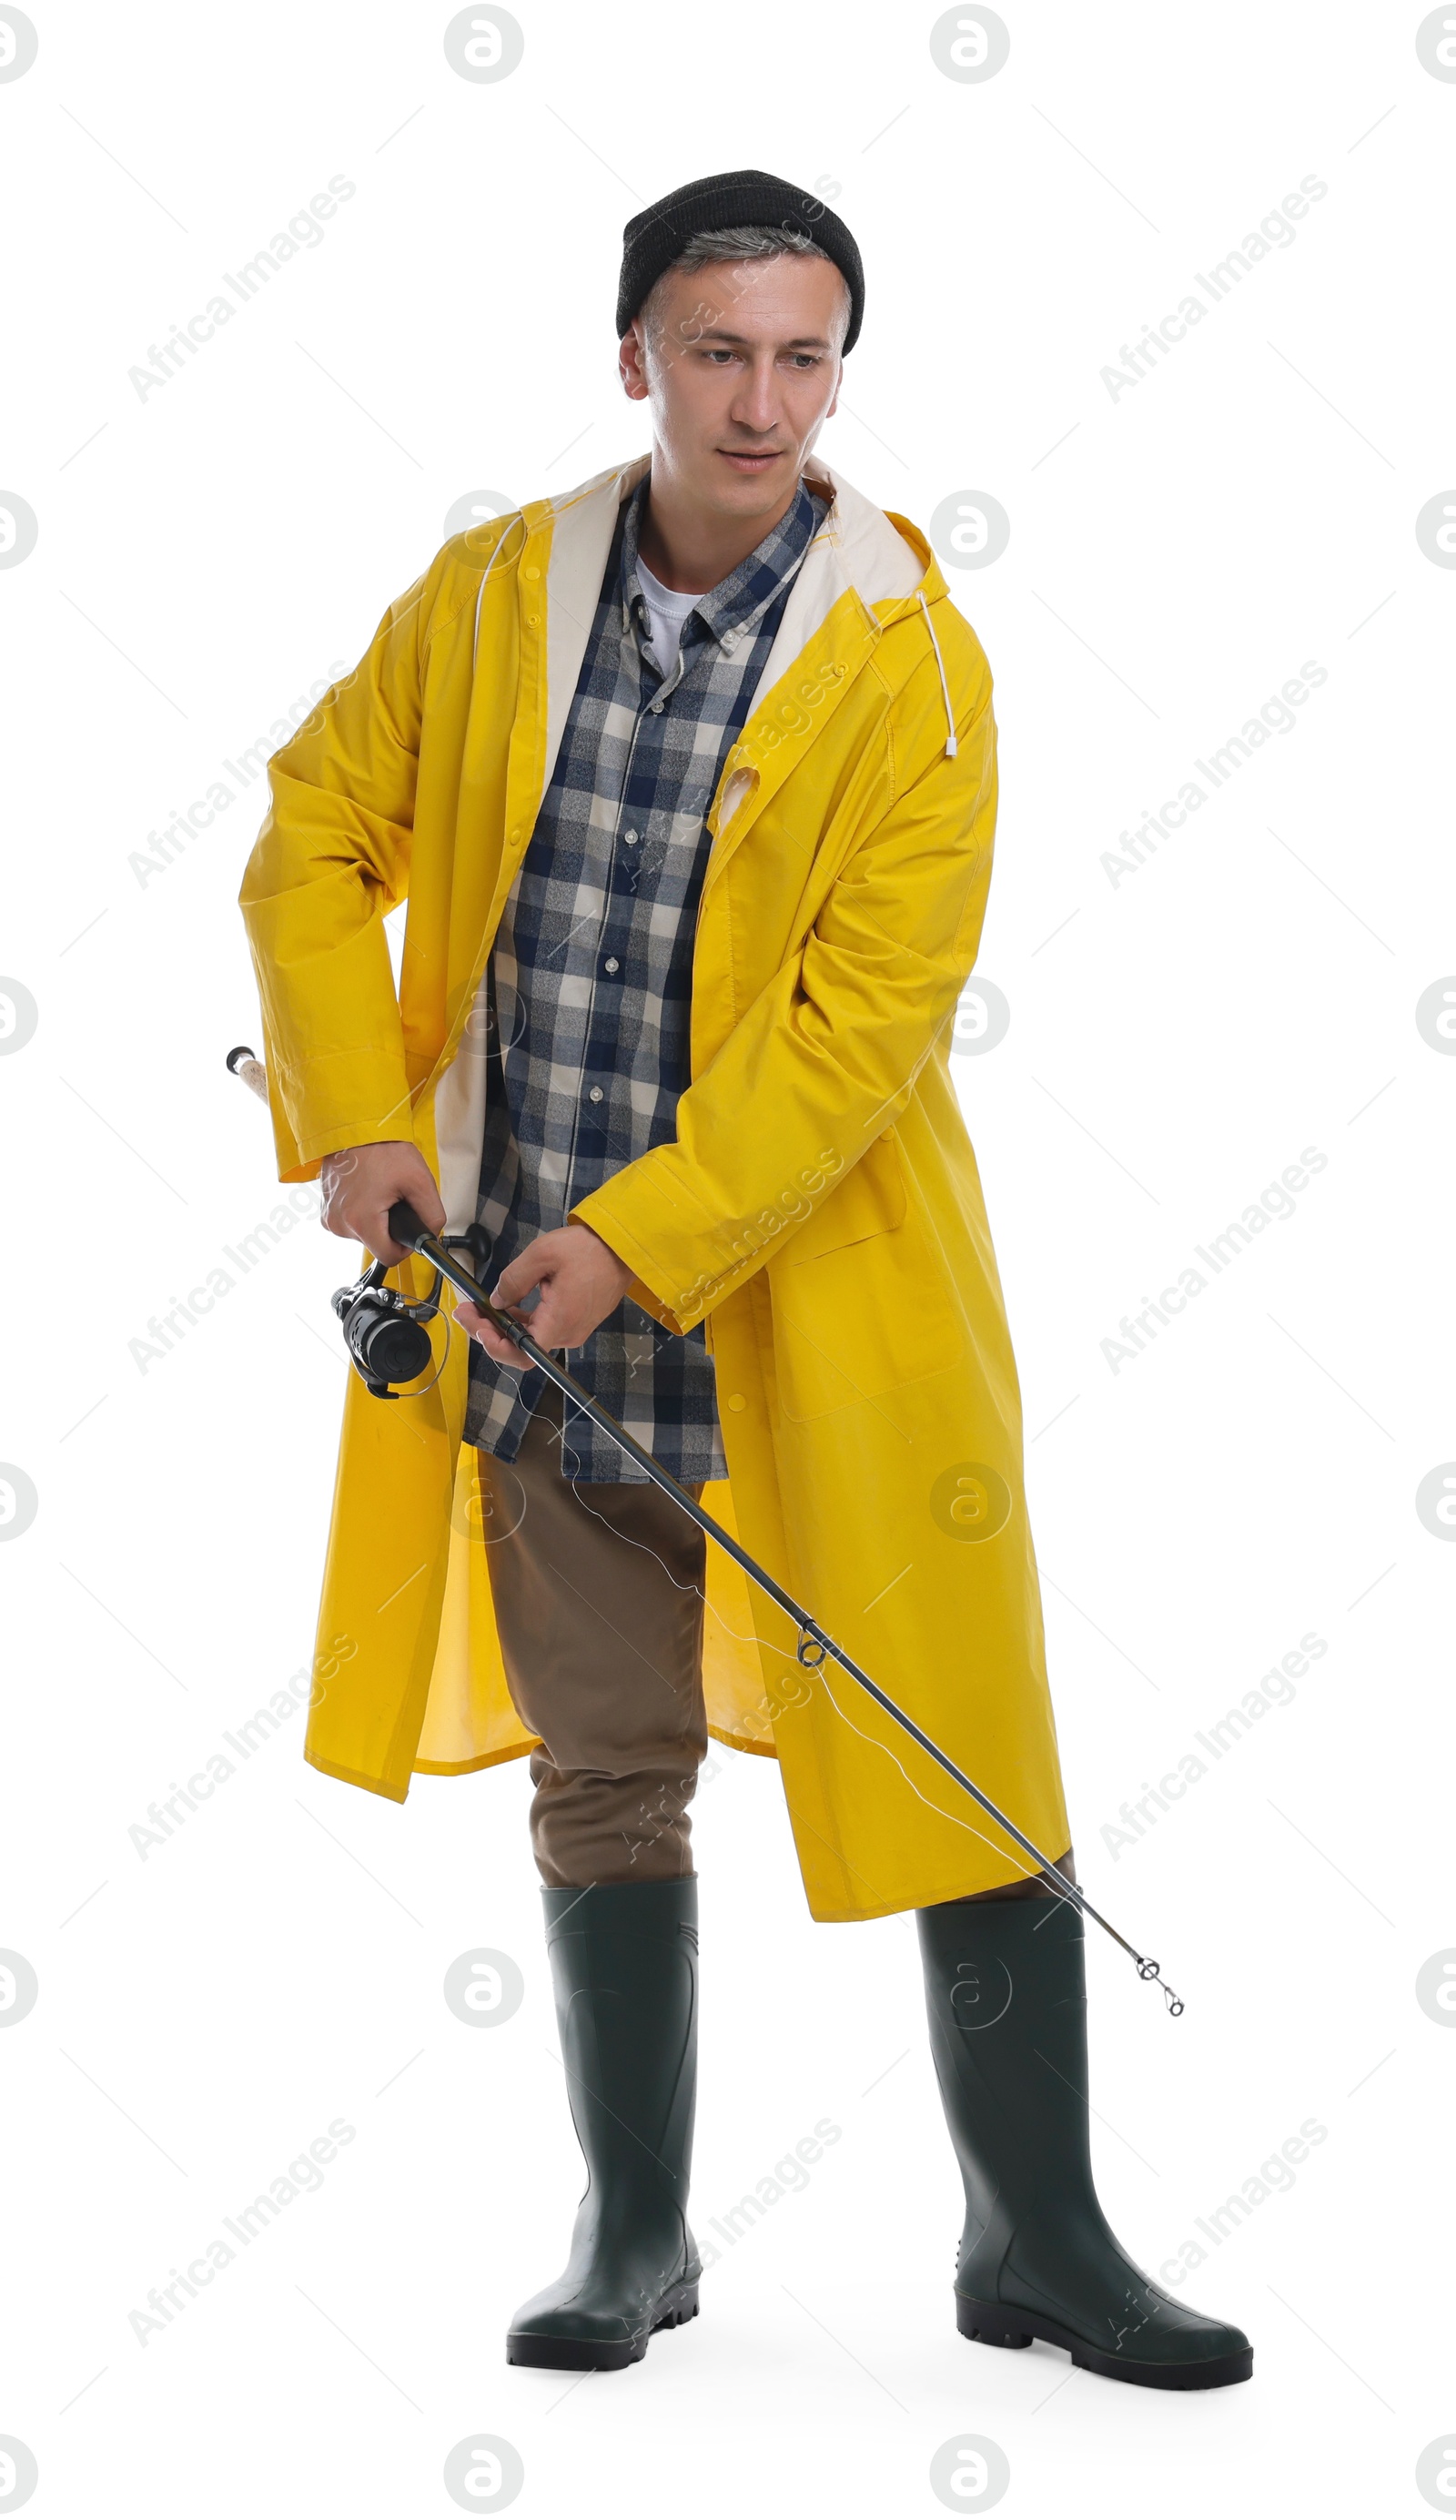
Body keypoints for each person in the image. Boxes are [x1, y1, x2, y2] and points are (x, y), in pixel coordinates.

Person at [239, 168, 1251, 2390]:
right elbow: (316, 822)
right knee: (604, 1769)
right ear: (634, 359)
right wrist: (360, 1109)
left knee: (963, 1757)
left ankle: (1042, 2233)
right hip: (523, 1308)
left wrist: (639, 1239)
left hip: (817, 1312)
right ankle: (632, 2230)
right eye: (717, 349)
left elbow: (861, 1031)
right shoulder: (491, 598)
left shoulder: (911, 652)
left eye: (803, 354)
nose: (763, 398)